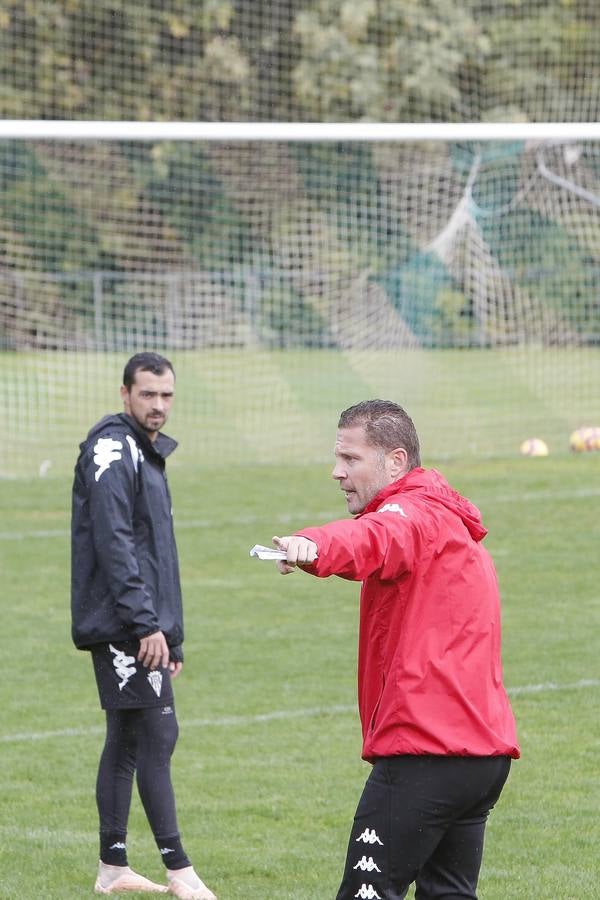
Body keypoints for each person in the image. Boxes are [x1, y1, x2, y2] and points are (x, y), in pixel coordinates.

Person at [271, 399, 519, 900]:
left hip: (426, 753)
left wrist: (313, 545)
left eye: (351, 459)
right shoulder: (447, 522)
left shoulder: (413, 517)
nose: (336, 472)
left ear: (396, 461)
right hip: (479, 754)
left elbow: (376, 539)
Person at [71, 352, 216, 900]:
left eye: (167, 395)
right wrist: (144, 625)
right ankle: (180, 872)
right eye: (148, 394)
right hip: (121, 625)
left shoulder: (143, 450)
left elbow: (155, 552)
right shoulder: (112, 447)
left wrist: (169, 633)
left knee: (130, 736)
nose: (159, 405)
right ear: (125, 393)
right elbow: (114, 542)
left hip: (141, 624)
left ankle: (113, 867)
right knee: (157, 732)